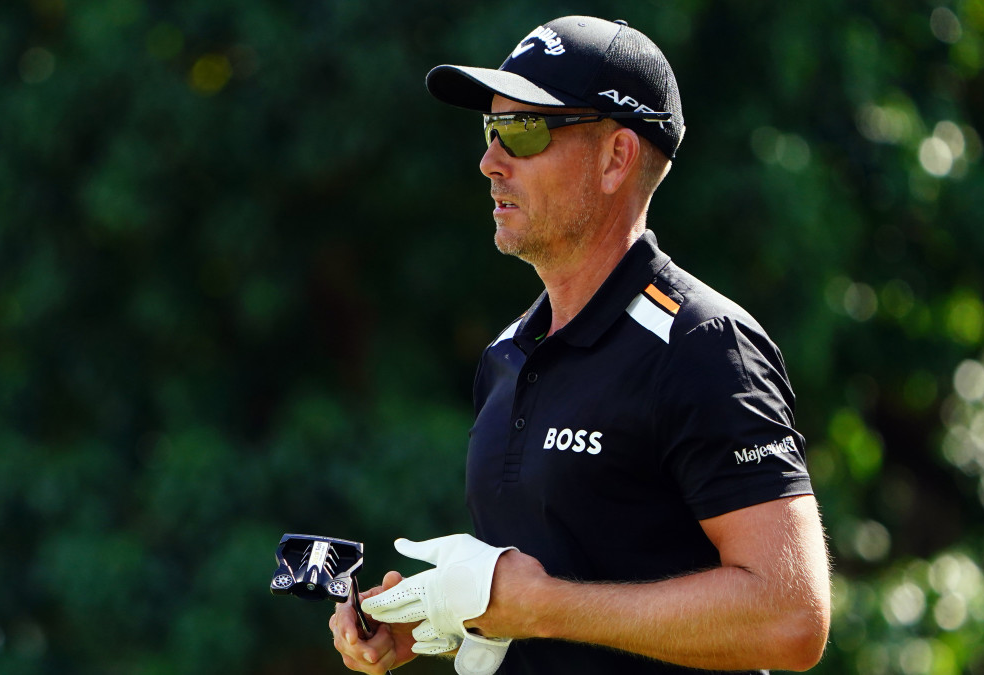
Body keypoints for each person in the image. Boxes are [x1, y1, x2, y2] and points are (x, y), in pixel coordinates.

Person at [329, 15, 831, 675]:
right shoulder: (507, 353)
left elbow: (791, 616)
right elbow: (543, 588)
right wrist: (437, 620)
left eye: (523, 130)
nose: (490, 161)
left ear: (615, 158)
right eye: (490, 129)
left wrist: (545, 607)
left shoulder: (704, 344)